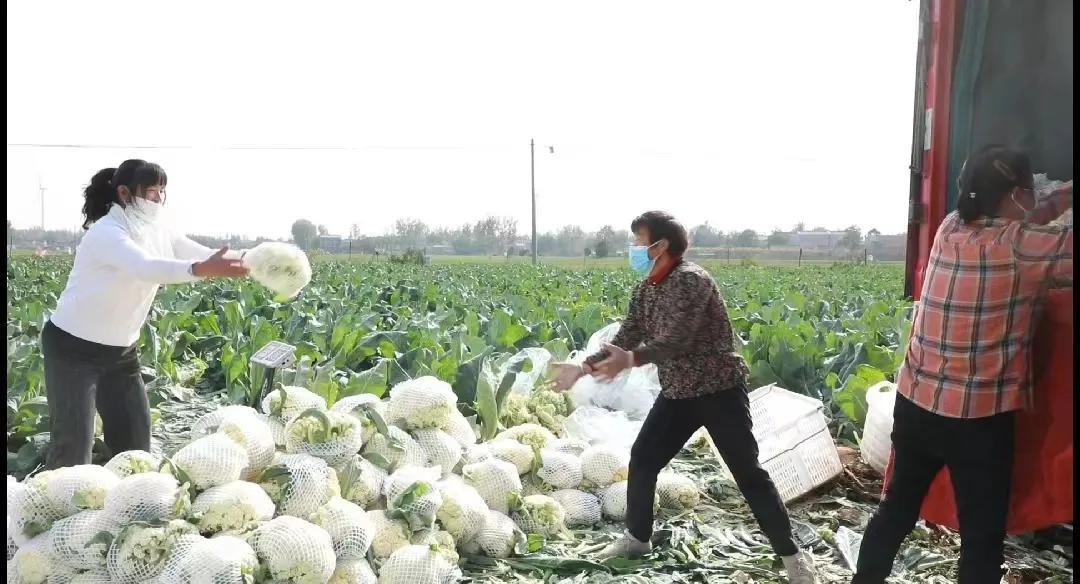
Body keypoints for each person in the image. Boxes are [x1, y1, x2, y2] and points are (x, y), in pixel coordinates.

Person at [550, 211, 817, 584]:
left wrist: (633, 360)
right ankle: (637, 539)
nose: (635, 249)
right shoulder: (647, 289)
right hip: (677, 393)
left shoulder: (692, 280)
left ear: (661, 245)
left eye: (640, 241)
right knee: (643, 459)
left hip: (718, 390)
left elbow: (677, 339)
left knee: (748, 473)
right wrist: (582, 367)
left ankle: (793, 557)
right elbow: (627, 334)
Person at [854, 145, 1073, 583]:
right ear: (1013, 196)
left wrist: (1064, 195)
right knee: (981, 537)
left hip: (916, 403)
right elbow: (1045, 238)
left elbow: (1030, 217)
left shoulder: (950, 227)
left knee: (897, 509)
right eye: (1030, 190)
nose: (1034, 198)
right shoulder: (1019, 247)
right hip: (976, 420)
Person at [43, 159, 249, 469]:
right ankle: (55, 510)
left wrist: (260, 261)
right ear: (125, 193)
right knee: (73, 450)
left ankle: (123, 506)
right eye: (151, 191)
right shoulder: (106, 232)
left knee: (135, 448)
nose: (157, 199)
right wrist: (201, 270)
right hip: (73, 350)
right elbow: (145, 267)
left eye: (162, 192)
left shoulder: (158, 230)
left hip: (121, 354)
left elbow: (201, 253)